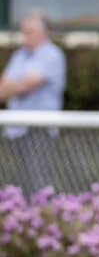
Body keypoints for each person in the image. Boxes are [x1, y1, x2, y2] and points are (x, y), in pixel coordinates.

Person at [1, 10, 69, 196]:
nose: (24, 36)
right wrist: (14, 85)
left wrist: (14, 86)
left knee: (37, 181)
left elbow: (26, 84)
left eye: (28, 31)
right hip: (16, 129)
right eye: (23, 31)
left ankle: (42, 212)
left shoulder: (52, 54)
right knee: (19, 182)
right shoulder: (20, 55)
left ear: (42, 32)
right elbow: (4, 86)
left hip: (39, 129)